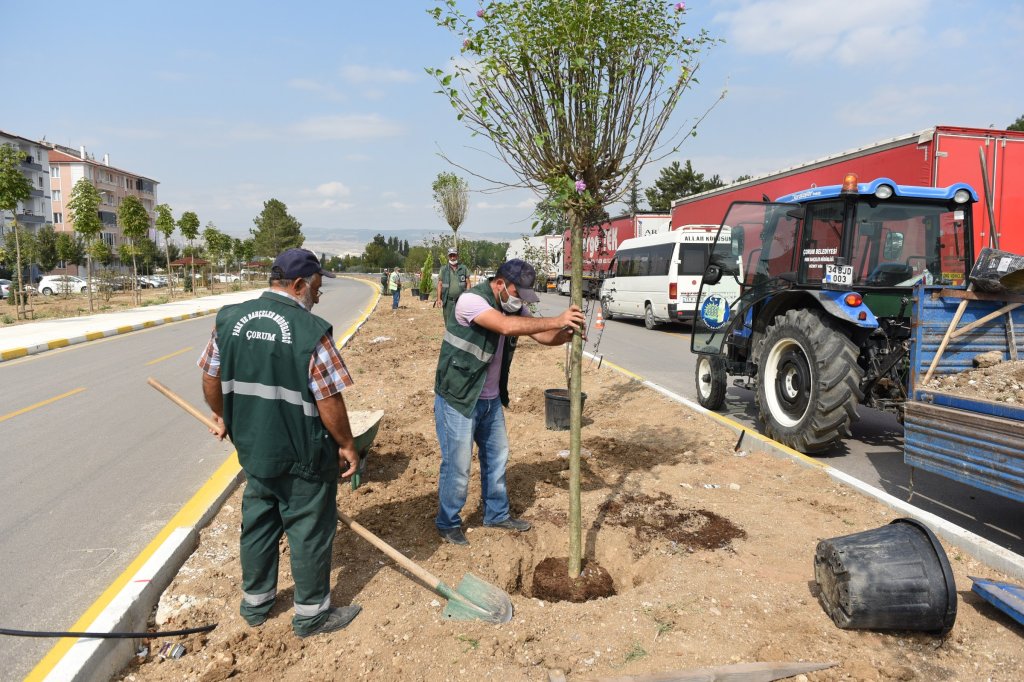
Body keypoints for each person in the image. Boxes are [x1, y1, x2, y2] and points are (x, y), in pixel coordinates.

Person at [197, 248, 362, 638]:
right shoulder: (310, 332)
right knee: (308, 529)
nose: (318, 297)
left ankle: (256, 604)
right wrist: (347, 444)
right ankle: (311, 615)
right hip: (302, 456)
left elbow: (209, 375)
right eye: (317, 288)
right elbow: (329, 400)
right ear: (299, 285)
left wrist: (221, 415)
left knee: (258, 524)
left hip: (254, 452)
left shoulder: (229, 320)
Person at [433, 259, 586, 545]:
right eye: (517, 294)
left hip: (489, 399)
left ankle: (496, 514)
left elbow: (540, 334)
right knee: (458, 465)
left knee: (497, 458)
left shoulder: (510, 303)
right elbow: (504, 326)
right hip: (459, 397)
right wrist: (557, 318)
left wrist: (566, 335)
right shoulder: (471, 300)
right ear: (500, 284)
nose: (520, 302)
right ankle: (448, 522)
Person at [437, 247, 469, 324]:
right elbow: (439, 284)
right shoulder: (444, 269)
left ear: (457, 256)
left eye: (454, 255)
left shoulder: (463, 268)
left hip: (461, 301)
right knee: (448, 322)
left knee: (461, 321)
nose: (452, 257)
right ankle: (449, 335)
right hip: (448, 302)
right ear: (448, 256)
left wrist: (468, 296)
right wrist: (438, 299)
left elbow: (468, 283)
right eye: (450, 255)